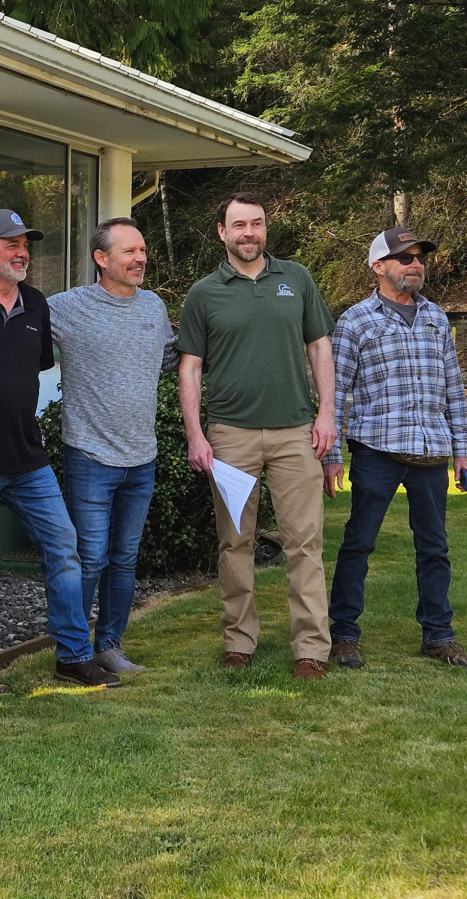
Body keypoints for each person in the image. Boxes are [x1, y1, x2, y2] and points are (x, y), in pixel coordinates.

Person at [0, 209, 119, 692]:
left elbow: (35, 368)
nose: (24, 252)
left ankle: (72, 656)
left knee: (65, 551)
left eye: (26, 244)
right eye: (12, 244)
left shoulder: (37, 305)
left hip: (29, 460)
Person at [177, 192, 336, 679]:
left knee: (304, 544)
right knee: (235, 543)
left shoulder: (297, 279)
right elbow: (190, 368)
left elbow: (320, 348)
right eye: (239, 225)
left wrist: (327, 412)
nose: (249, 233)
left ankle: (311, 649)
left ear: (266, 229)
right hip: (230, 438)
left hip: (296, 433)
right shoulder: (204, 293)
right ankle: (239, 640)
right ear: (222, 233)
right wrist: (196, 435)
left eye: (257, 224)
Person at [323, 227, 467, 669]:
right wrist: (332, 456)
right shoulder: (355, 321)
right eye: (405, 258)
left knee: (435, 548)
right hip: (376, 452)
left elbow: (453, 390)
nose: (416, 264)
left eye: (419, 256)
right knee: (358, 544)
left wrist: (462, 448)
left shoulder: (436, 319)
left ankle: (438, 635)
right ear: (378, 266)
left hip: (431, 453)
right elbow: (334, 392)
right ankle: (344, 634)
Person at [47, 218, 177, 675]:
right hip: (89, 455)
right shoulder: (64, 307)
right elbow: (15, 331)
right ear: (102, 259)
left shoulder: (154, 308)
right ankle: (73, 652)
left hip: (143, 456)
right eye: (129, 252)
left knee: (123, 560)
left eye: (142, 250)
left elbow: (170, 360)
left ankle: (109, 647)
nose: (140, 258)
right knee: (88, 560)